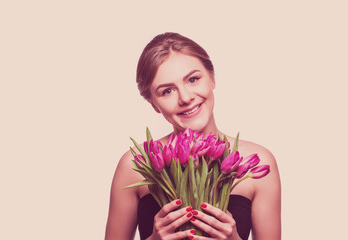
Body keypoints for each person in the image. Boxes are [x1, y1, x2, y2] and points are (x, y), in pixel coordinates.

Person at [105, 32, 281, 240]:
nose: (186, 97)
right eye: (167, 91)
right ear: (153, 103)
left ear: (212, 78)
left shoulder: (256, 160)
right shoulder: (136, 163)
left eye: (193, 79)